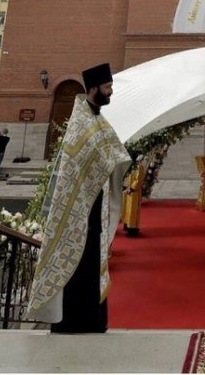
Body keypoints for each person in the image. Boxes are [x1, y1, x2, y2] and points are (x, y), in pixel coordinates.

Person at [26, 62, 131, 333]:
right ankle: (73, 321)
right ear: (94, 88)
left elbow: (110, 149)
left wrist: (119, 161)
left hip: (93, 205)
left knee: (91, 263)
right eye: (107, 87)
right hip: (77, 207)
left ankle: (94, 320)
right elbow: (81, 159)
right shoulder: (81, 121)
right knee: (77, 265)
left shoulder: (96, 117)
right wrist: (108, 161)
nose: (111, 92)